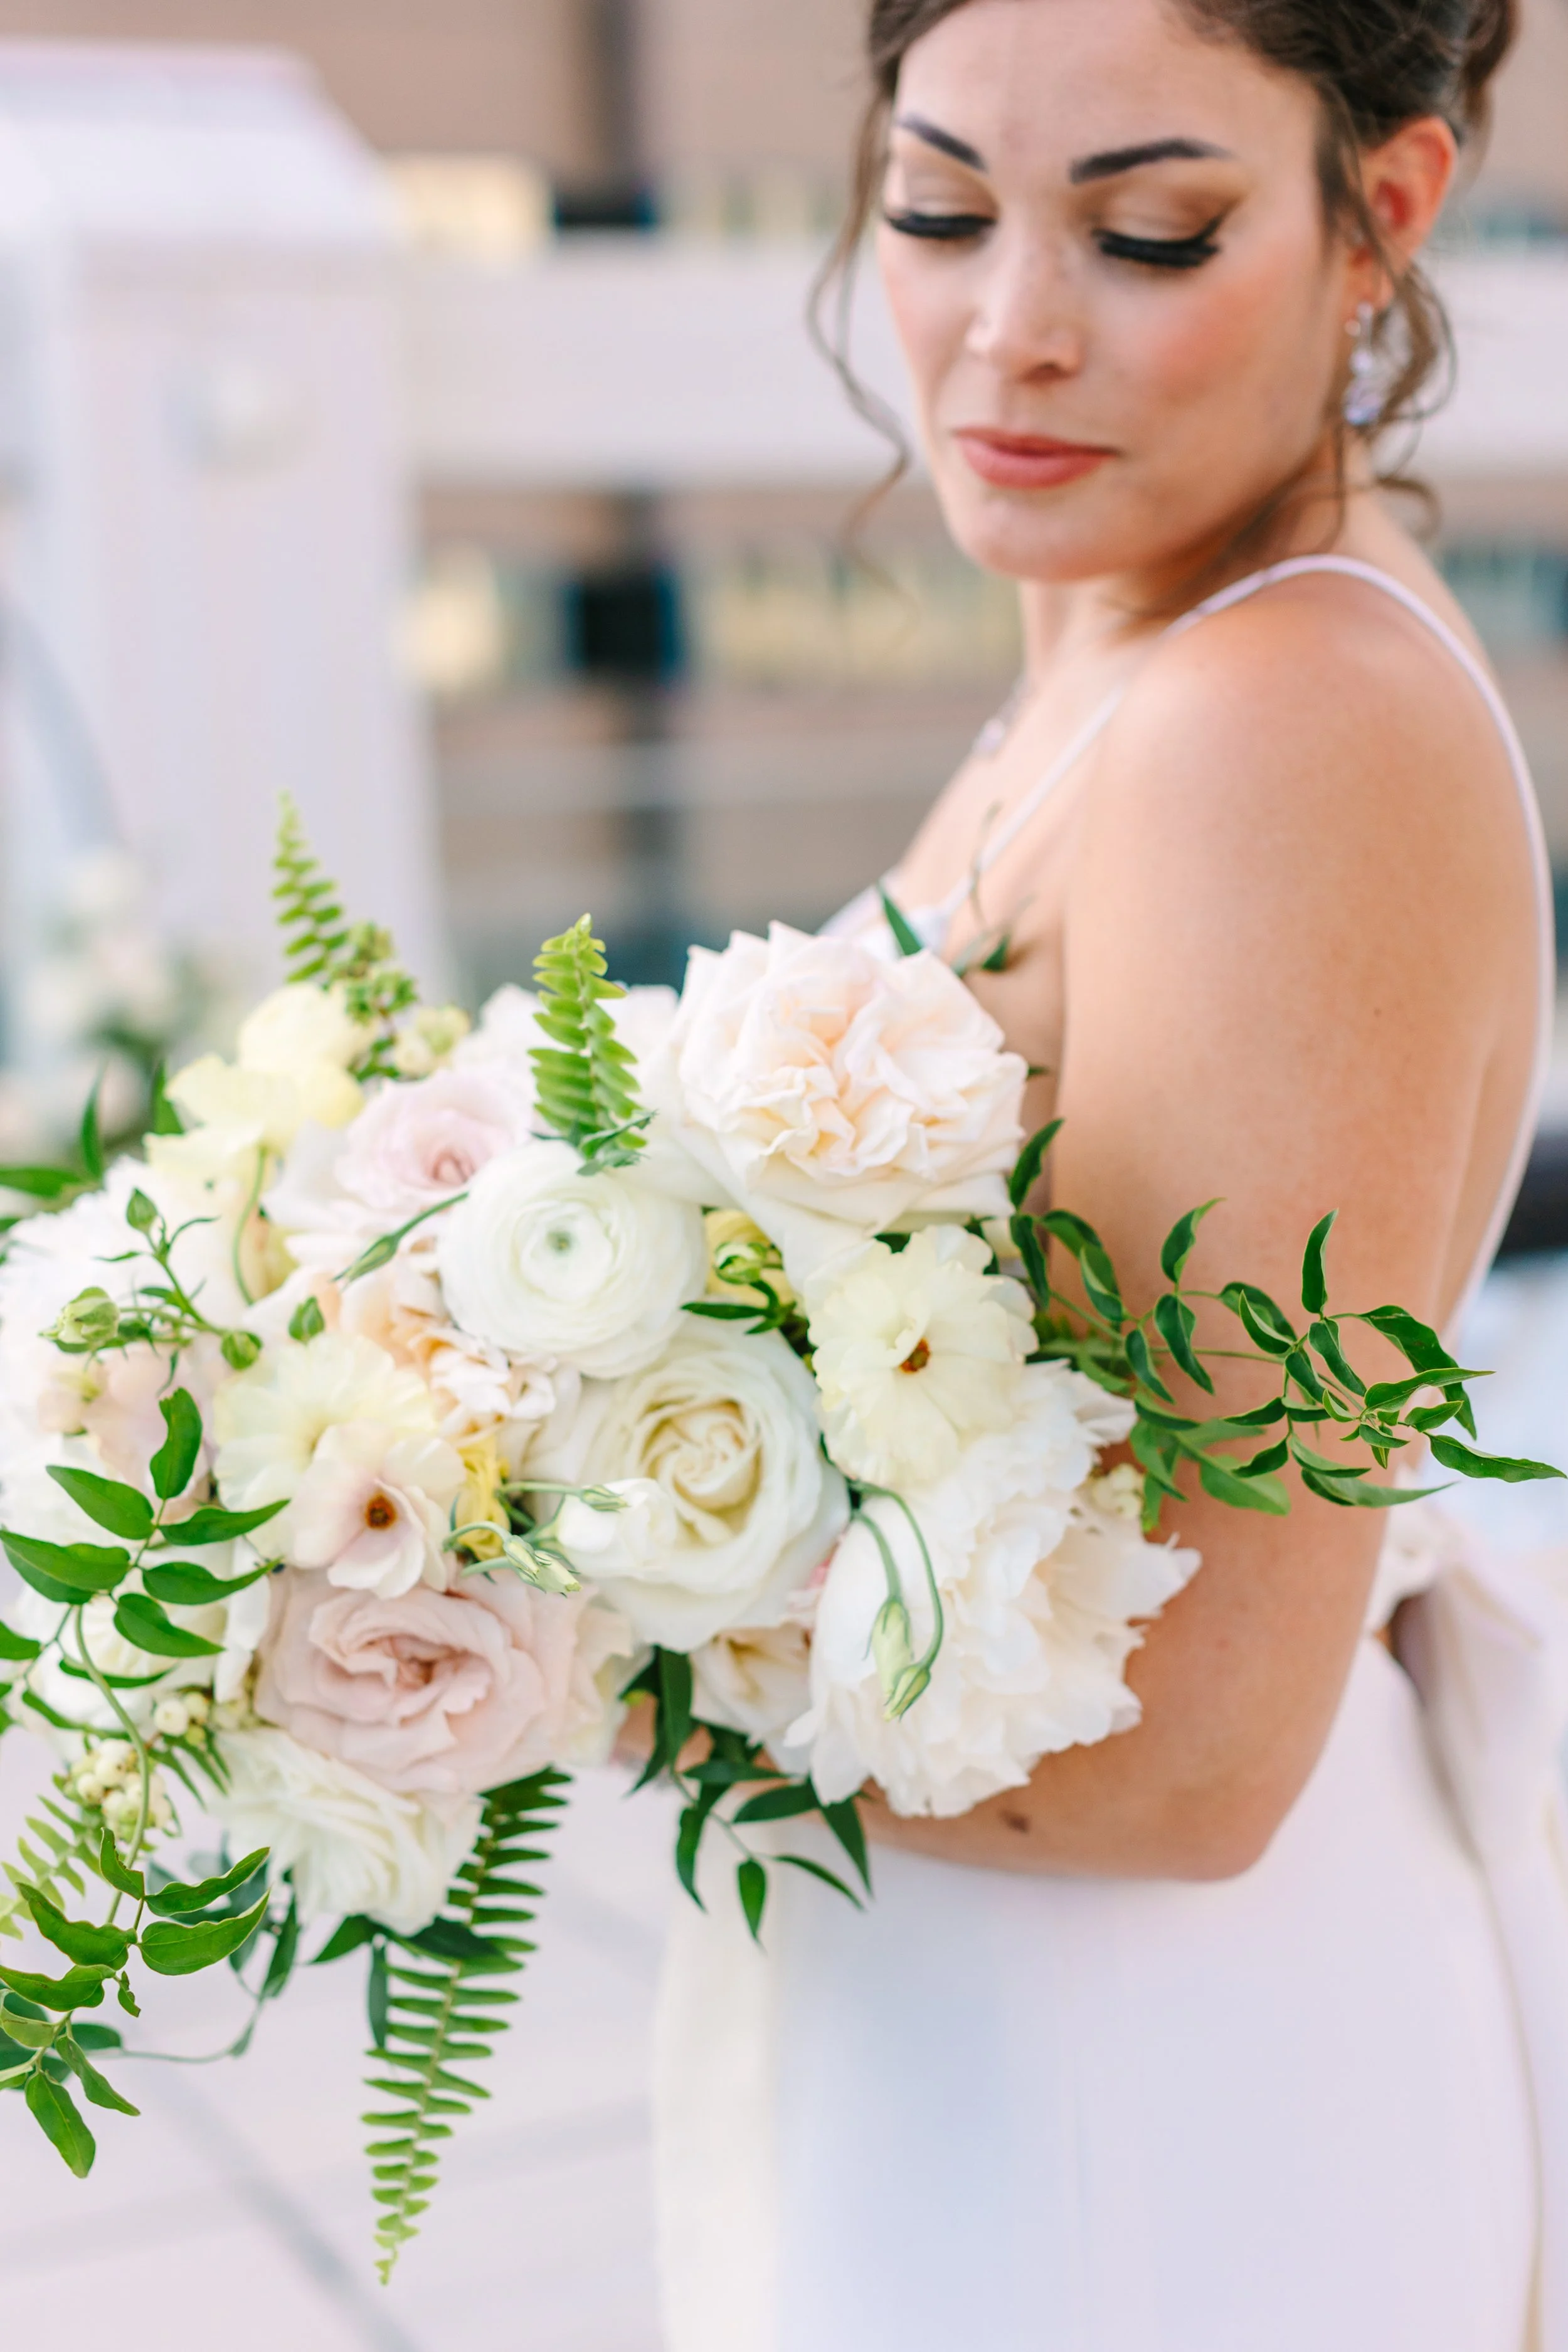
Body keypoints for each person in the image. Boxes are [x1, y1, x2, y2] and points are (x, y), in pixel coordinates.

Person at [654, 4, 1568, 2347]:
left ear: (1385, 215)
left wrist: (499, 1604)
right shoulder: (1117, 654)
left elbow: (1188, 1747)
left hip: (1147, 2095)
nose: (1010, 329)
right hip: (991, 2008)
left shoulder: (1287, 725)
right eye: (938, 209)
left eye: (1150, 232)